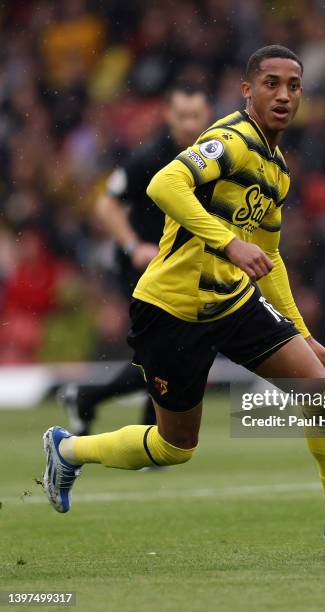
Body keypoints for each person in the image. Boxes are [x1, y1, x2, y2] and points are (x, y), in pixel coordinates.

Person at [43, 45, 325, 556]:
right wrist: (227, 241)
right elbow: (164, 183)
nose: (284, 95)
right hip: (170, 308)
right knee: (174, 447)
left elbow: (271, 256)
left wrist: (302, 331)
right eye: (271, 83)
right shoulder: (230, 140)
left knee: (324, 392)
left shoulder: (277, 168)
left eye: (294, 86)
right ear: (247, 90)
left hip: (232, 302)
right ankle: (68, 449)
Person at [59, 83, 212, 435]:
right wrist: (134, 247)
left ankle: (91, 400)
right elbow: (105, 204)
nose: (189, 124)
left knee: (169, 353)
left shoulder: (211, 157)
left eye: (196, 116)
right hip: (145, 270)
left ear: (208, 117)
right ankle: (145, 429)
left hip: (183, 269)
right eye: (182, 116)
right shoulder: (148, 159)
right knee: (167, 351)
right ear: (168, 117)